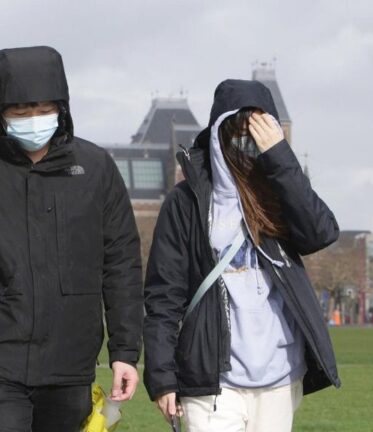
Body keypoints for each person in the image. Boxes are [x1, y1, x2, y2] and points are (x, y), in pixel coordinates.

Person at [0, 45, 143, 432]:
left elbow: (121, 260)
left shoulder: (95, 168)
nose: (34, 120)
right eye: (20, 112)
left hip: (70, 359)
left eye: (43, 110)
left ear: (62, 108)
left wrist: (124, 351)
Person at [143, 79, 341, 432]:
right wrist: (162, 376)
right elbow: (163, 294)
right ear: (218, 134)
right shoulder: (186, 201)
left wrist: (280, 157)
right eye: (237, 132)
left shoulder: (280, 193)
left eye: (259, 132)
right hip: (210, 378)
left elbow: (321, 233)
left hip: (279, 375)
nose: (246, 144)